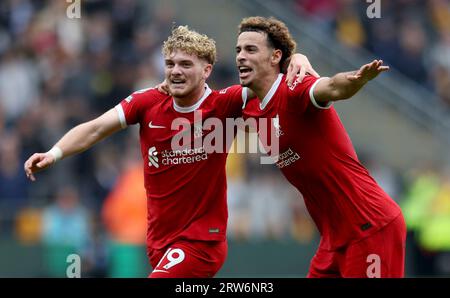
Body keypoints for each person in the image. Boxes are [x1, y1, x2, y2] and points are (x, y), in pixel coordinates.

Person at [24, 25, 315, 278]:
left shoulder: (224, 104)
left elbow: (269, 78)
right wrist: (55, 152)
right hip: (159, 242)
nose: (176, 70)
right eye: (170, 64)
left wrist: (295, 57)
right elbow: (97, 127)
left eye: (186, 64)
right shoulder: (147, 102)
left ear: (206, 70)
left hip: (202, 242)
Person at [236, 16, 406, 278]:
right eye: (238, 50)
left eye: (250, 49)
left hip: (370, 225)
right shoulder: (250, 107)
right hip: (333, 238)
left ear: (274, 57)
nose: (240, 57)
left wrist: (356, 80)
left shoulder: (295, 88)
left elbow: (333, 87)